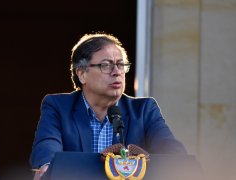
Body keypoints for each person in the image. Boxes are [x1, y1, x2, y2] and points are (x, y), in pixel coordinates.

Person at [29, 33, 187, 179]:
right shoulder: (58, 106)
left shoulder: (144, 110)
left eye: (120, 65)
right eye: (106, 65)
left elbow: (172, 151)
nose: (117, 72)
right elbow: (47, 145)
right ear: (82, 74)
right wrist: (47, 168)